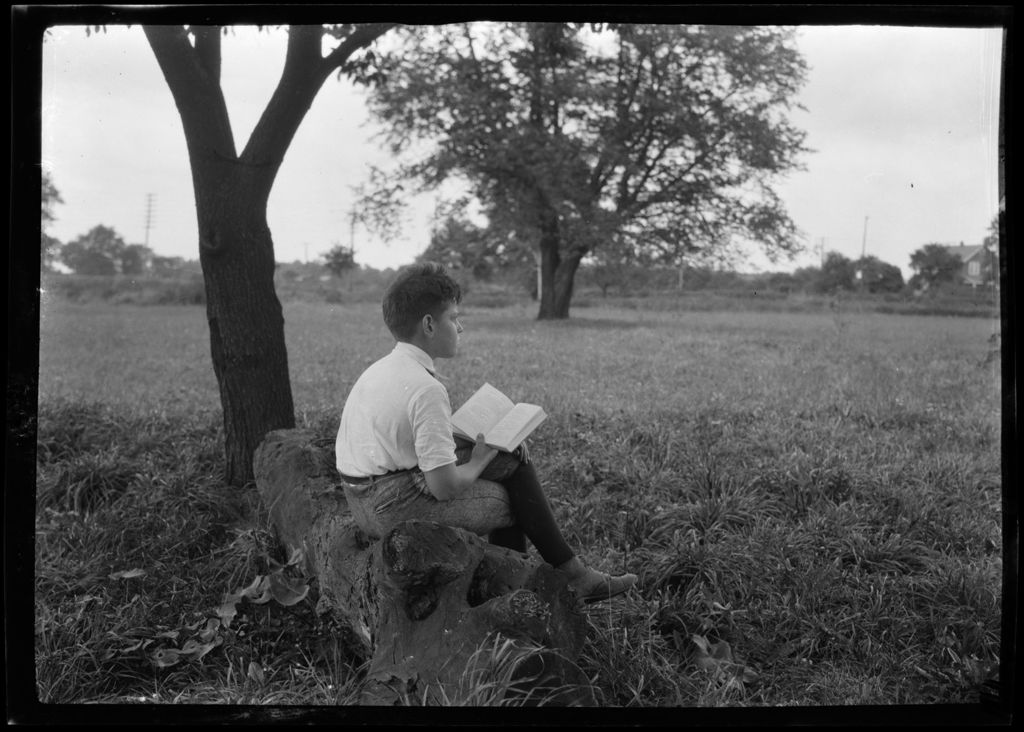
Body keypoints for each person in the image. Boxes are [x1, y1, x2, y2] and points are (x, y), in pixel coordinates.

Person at [336, 262, 637, 603]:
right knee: (512, 502)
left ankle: (566, 577)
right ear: (429, 324)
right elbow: (444, 487)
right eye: (454, 318)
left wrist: (490, 443)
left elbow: (410, 439)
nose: (460, 327)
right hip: (391, 505)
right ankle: (515, 597)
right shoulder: (425, 389)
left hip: (361, 497)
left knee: (511, 458)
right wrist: (478, 460)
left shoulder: (383, 369)